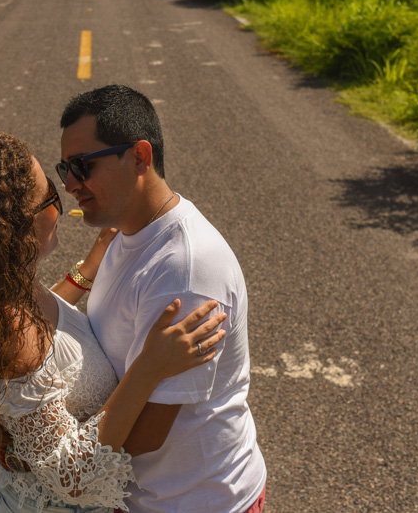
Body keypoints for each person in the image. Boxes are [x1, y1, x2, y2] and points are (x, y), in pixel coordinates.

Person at [0, 127, 228, 512]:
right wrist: (150, 367)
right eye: (49, 195)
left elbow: (47, 334)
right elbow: (74, 478)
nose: (65, 194)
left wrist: (86, 270)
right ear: (11, 228)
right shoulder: (12, 330)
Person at [53, 85, 267, 513]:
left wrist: (54, 453)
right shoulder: (128, 234)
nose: (71, 184)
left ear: (140, 157)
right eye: (64, 169)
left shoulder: (182, 272)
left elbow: (149, 434)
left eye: (82, 166)